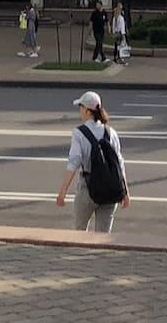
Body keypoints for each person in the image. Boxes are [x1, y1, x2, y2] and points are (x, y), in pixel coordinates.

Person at [56, 91, 129, 233]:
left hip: (87, 189)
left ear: (87, 110)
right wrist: (125, 191)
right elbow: (119, 163)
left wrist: (63, 192)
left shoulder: (79, 133)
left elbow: (74, 163)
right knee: (103, 236)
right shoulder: (111, 132)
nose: (80, 111)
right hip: (110, 190)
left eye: (81, 107)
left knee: (79, 232)